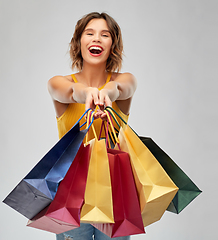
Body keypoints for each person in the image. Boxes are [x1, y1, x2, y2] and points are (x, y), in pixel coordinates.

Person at [48, 12, 137, 240]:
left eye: (104, 35)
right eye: (90, 33)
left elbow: (120, 89)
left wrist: (105, 93)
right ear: (79, 41)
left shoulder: (125, 79)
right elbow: (69, 92)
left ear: (113, 44)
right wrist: (86, 93)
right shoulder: (60, 82)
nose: (96, 39)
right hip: (70, 196)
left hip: (114, 193)